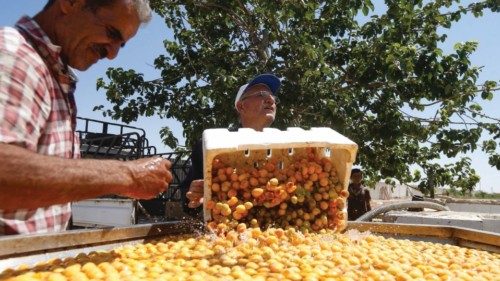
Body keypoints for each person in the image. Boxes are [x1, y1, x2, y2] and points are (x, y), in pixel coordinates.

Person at [0, 0, 172, 235]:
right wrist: (127, 176)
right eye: (111, 33)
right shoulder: (13, 54)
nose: (112, 54)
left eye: (121, 45)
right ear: (70, 4)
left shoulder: (53, 74)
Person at [181, 73, 281, 217]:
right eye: (262, 94)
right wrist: (193, 196)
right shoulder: (214, 145)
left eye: (273, 97)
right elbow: (187, 199)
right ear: (241, 106)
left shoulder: (285, 145)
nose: (270, 99)